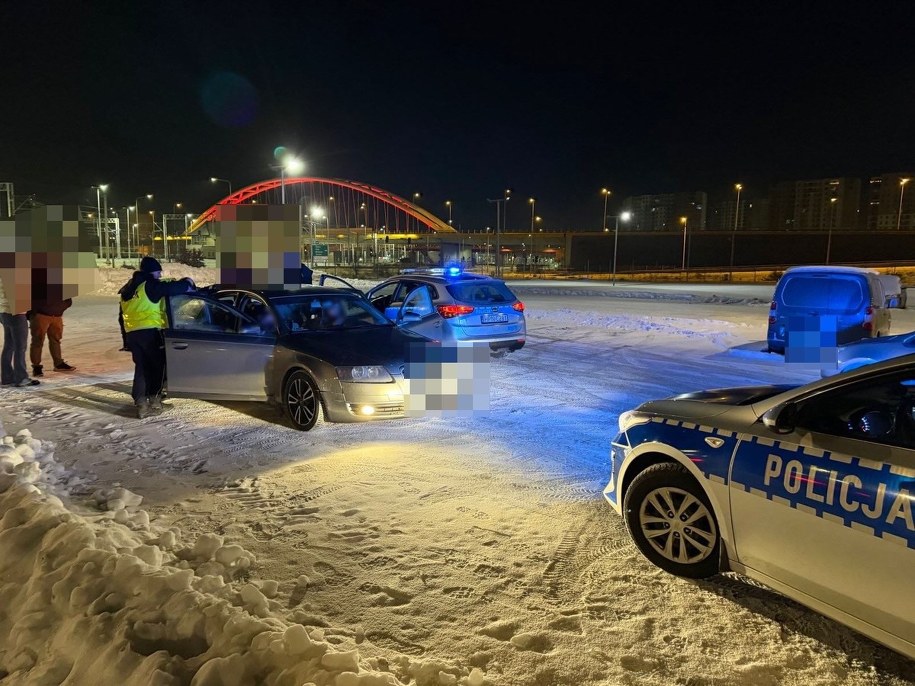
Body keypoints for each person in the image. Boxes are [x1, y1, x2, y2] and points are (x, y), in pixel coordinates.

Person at [120, 256, 194, 418]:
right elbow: (173, 289)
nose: (160, 275)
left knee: (142, 367)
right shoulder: (150, 286)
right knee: (157, 367)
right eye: (158, 272)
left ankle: (141, 402)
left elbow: (121, 316)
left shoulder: (129, 289)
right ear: (151, 272)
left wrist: (126, 340)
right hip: (150, 333)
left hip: (133, 334)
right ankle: (155, 400)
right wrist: (187, 282)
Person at [0, 274, 39, 387]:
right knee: (20, 347)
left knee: (9, 345)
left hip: (4, 311)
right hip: (16, 313)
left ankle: (7, 377)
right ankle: (21, 378)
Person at [28, 296, 75, 376]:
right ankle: (36, 367)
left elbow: (68, 299)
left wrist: (61, 307)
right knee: (38, 341)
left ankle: (58, 363)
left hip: (57, 315)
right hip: (41, 315)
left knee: (56, 340)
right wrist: (33, 313)